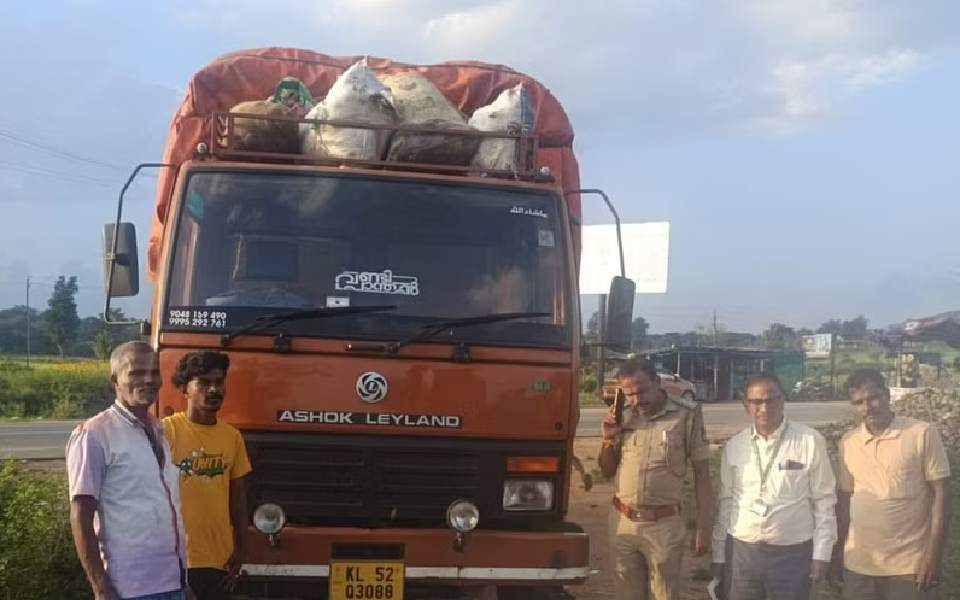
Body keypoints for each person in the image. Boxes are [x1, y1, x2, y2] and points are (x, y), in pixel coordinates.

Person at [66, 341, 187, 600]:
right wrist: (101, 588)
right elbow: (80, 516)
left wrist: (183, 582)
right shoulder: (94, 434)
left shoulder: (159, 431)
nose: (148, 380)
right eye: (136, 373)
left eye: (154, 373)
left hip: (172, 583)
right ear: (115, 380)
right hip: (128, 589)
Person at [711, 373, 837, 600]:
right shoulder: (734, 446)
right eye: (756, 402)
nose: (764, 408)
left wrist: (822, 554)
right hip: (742, 553)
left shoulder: (809, 441)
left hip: (792, 554)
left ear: (783, 400)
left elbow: (824, 500)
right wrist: (719, 555)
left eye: (771, 400)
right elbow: (726, 502)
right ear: (746, 405)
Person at [829, 368, 951, 599]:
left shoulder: (921, 433)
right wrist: (837, 554)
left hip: (909, 565)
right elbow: (845, 500)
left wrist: (934, 554)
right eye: (858, 402)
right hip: (859, 564)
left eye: (873, 398)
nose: (867, 407)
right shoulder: (849, 442)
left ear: (887, 395)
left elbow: (941, 494)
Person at [599, 358, 713, 600]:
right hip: (623, 521)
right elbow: (607, 471)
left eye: (641, 391)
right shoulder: (623, 415)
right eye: (629, 394)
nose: (636, 400)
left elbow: (702, 474)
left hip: (664, 526)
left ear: (657, 382)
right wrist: (608, 440)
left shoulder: (686, 415)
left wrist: (704, 526)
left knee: (664, 595)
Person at [163, 351, 251, 600]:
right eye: (203, 382)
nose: (213, 389)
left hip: (220, 561)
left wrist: (241, 549)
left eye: (219, 382)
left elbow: (238, 498)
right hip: (177, 560)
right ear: (185, 388)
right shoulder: (166, 432)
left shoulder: (232, 437)